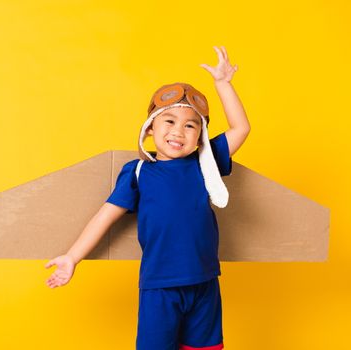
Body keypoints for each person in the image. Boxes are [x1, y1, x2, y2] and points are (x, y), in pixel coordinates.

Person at [45, 46, 250, 350]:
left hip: (205, 282)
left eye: (190, 125)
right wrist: (72, 257)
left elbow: (241, 128)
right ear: (150, 129)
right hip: (160, 287)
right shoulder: (139, 172)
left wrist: (223, 84)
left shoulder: (205, 163)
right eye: (169, 122)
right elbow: (105, 215)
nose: (179, 131)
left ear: (200, 137)